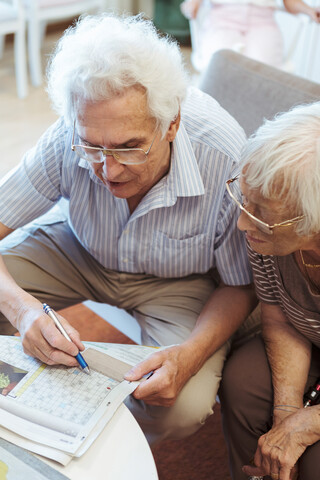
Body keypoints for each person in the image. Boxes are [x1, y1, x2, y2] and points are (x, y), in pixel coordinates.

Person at [0, 14, 258, 444]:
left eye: (128, 147)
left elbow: (240, 285)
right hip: (76, 250)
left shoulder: (227, 158)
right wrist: (23, 310)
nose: (109, 169)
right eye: (92, 147)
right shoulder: (69, 130)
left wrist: (189, 357)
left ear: (171, 123)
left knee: (180, 407)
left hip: (177, 282)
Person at [219, 101, 320, 479]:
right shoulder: (268, 234)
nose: (244, 223)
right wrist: (287, 412)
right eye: (245, 199)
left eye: (261, 213)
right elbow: (278, 315)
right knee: (243, 383)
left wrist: (307, 425)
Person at [180, 0, 320, 72]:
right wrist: (192, 4)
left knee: (265, 72)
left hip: (263, 21)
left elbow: (289, 1)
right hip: (222, 19)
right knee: (219, 64)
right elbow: (192, 4)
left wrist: (309, 11)